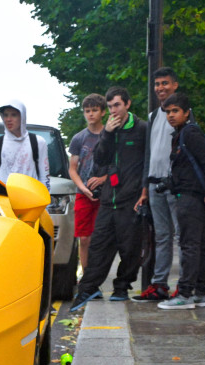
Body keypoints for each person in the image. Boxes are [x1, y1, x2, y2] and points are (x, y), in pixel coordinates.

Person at [68, 87, 149, 309]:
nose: (114, 110)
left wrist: (144, 192)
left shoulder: (142, 128)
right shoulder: (108, 130)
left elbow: (148, 163)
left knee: (130, 247)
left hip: (131, 197)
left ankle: (122, 286)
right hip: (108, 197)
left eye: (117, 105)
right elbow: (100, 160)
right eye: (111, 106)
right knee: (98, 245)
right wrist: (108, 134)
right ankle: (88, 289)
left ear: (127, 104)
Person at [157, 92, 205, 310]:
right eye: (168, 112)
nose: (171, 115)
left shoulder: (190, 133)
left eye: (175, 111)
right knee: (199, 244)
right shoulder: (183, 133)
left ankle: (185, 294)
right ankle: (202, 292)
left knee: (189, 244)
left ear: (186, 112)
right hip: (191, 195)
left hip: (191, 196)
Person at [131, 67, 181, 303]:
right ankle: (159, 285)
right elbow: (148, 155)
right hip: (153, 185)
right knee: (162, 236)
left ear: (175, 85)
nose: (161, 88)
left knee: (182, 236)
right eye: (157, 84)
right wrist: (144, 189)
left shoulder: (182, 113)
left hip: (176, 185)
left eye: (165, 83)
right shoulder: (152, 117)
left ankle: (185, 286)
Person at [68, 94, 106, 274]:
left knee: (101, 238)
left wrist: (103, 179)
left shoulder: (109, 135)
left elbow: (118, 164)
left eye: (94, 110)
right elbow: (72, 168)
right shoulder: (78, 138)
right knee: (84, 238)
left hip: (105, 192)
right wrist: (82, 187)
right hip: (83, 193)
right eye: (87, 111)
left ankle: (97, 275)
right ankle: (86, 274)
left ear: (102, 112)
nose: (90, 114)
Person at [0, 100, 50, 188]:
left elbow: (44, 176)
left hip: (31, 197)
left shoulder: (38, 142)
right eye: (5, 115)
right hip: (5, 198)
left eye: (13, 115)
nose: (8, 119)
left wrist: (45, 199)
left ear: (22, 117)